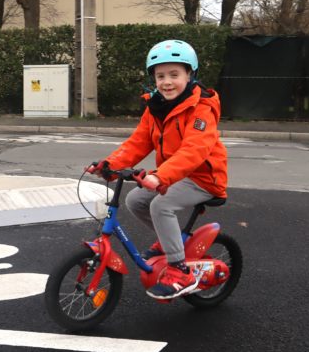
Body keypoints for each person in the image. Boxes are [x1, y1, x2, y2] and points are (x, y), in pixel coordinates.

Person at [89, 39, 228, 300]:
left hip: (203, 178)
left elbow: (194, 151)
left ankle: (180, 270)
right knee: (135, 200)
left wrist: (159, 176)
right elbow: (138, 142)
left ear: (190, 75)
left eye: (174, 74)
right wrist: (109, 164)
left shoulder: (202, 109)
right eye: (160, 75)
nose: (166, 82)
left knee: (160, 206)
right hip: (174, 175)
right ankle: (170, 242)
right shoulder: (156, 107)